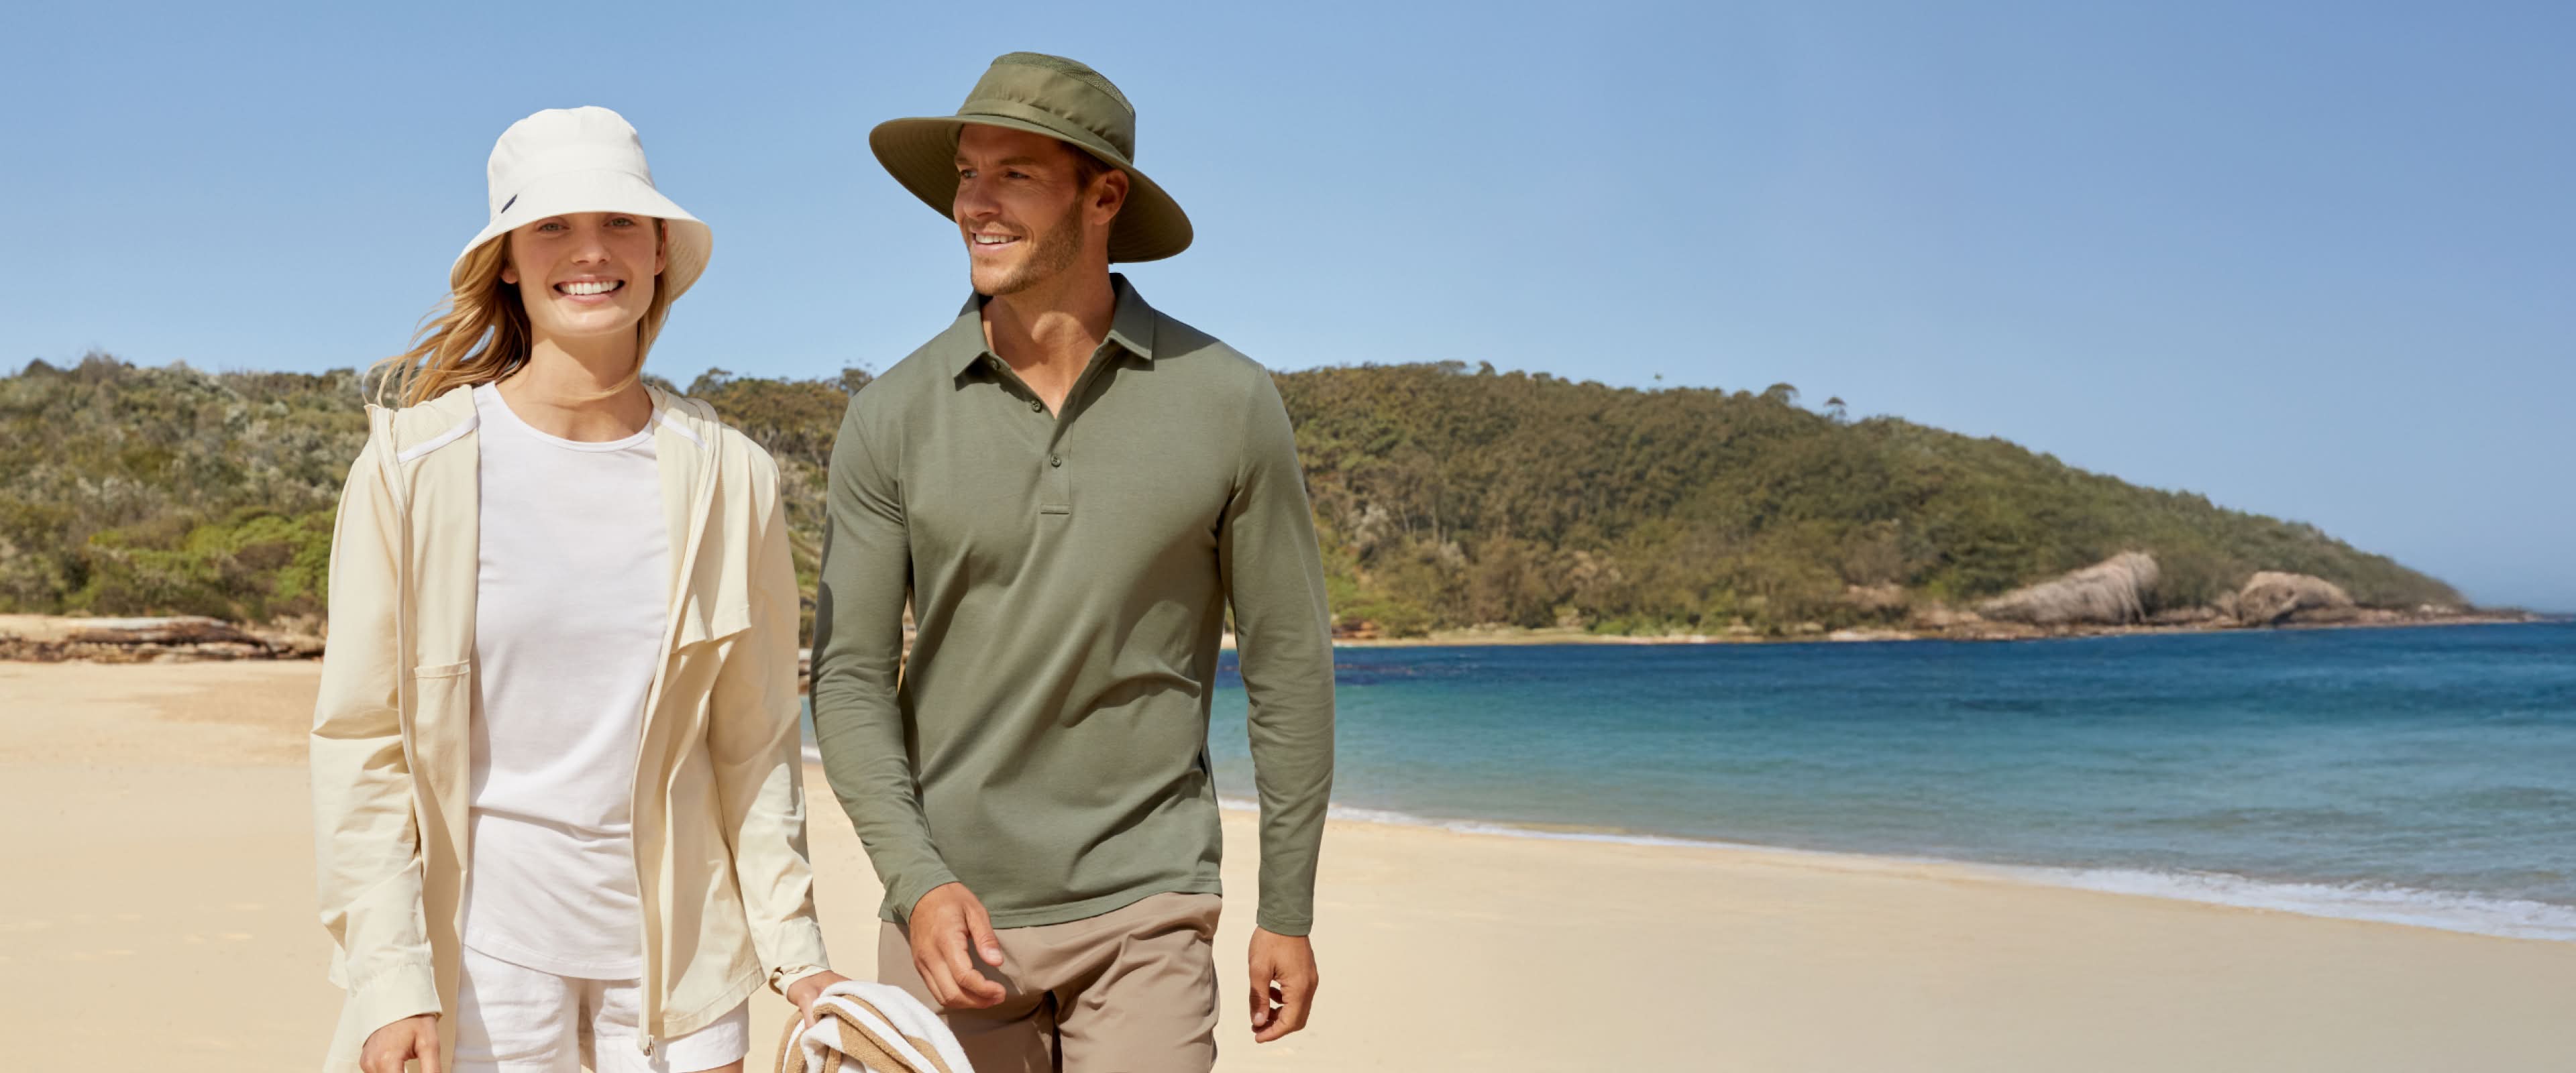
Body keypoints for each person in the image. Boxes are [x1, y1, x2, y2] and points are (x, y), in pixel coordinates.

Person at [810, 52, 1336, 1073]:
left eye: (1013, 173)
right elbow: (849, 675)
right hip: (951, 923)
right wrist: (916, 881)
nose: (975, 203)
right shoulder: (890, 417)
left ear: (1105, 195)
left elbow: (1288, 669)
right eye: (967, 173)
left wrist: (1288, 907)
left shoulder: (1228, 400)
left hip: (1150, 906)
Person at [311, 105, 847, 1073]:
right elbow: (362, 746)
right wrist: (392, 980)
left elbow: (756, 740)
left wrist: (798, 954)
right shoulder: (413, 467)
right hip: (481, 956)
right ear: (508, 260)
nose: (589, 252)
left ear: (657, 255)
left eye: (618, 225)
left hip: (686, 960)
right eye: (552, 226)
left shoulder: (731, 476)